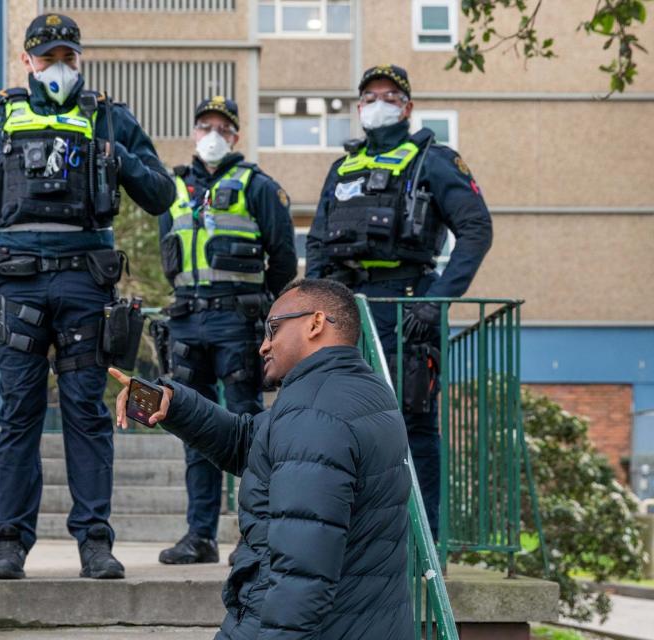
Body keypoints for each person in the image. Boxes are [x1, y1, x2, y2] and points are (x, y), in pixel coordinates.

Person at [0, 13, 175, 580]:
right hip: (16, 281)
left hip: (85, 283)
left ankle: (95, 543)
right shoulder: (0, 116)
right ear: (27, 62)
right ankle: (10, 544)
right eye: (47, 58)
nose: (57, 67)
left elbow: (162, 195)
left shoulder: (108, 115)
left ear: (79, 59)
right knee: (18, 413)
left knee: (87, 414)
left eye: (67, 57)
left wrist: (123, 159)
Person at [111, 279, 413, 639]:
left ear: (316, 323)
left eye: (273, 329)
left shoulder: (315, 411)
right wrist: (174, 404)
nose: (263, 345)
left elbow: (302, 572)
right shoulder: (355, 390)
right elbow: (252, 444)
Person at [305, 64, 493, 537]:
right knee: (337, 421)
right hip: (347, 310)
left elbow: (476, 229)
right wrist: (315, 302)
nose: (377, 104)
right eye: (368, 96)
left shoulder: (434, 159)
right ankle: (354, 541)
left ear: (407, 106)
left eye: (388, 95)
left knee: (412, 424)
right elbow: (318, 242)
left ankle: (423, 543)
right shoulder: (342, 166)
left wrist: (437, 301)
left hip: (408, 307)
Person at [155, 97, 297, 565]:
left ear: (236, 136)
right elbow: (167, 252)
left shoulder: (258, 186)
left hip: (238, 322)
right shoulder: (173, 187)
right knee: (193, 427)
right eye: (205, 126)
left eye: (223, 127)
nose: (213, 134)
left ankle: (256, 534)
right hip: (187, 320)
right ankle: (199, 536)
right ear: (194, 133)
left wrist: (261, 308)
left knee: (250, 427)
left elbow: (282, 260)